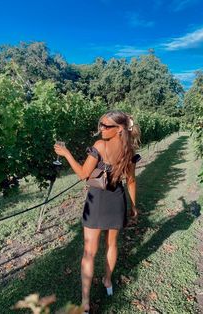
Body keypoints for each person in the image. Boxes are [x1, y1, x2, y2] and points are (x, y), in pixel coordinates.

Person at [54, 110, 141, 313]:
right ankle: (108, 281)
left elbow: (84, 174)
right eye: (100, 124)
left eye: (106, 126)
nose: (100, 129)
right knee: (112, 245)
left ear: (119, 128)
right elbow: (131, 181)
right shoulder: (130, 148)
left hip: (96, 200)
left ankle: (85, 302)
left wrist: (66, 154)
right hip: (117, 199)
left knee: (89, 252)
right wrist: (134, 206)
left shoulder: (99, 146)